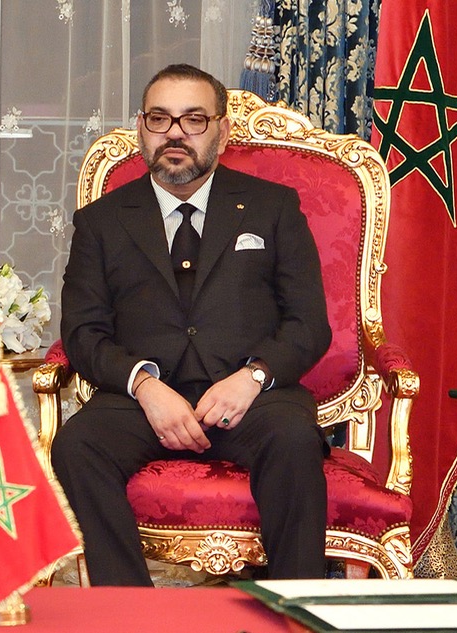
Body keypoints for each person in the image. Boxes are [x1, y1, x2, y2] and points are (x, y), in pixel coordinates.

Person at [52, 63, 332, 586]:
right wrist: (144, 385)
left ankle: (296, 605)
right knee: (77, 445)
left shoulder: (272, 208)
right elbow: (83, 333)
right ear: (141, 128)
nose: (175, 133)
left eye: (193, 119)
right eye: (160, 119)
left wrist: (252, 378)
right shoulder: (101, 221)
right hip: (144, 403)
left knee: (294, 439)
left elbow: (309, 324)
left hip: (251, 400)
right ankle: (129, 611)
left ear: (222, 132)